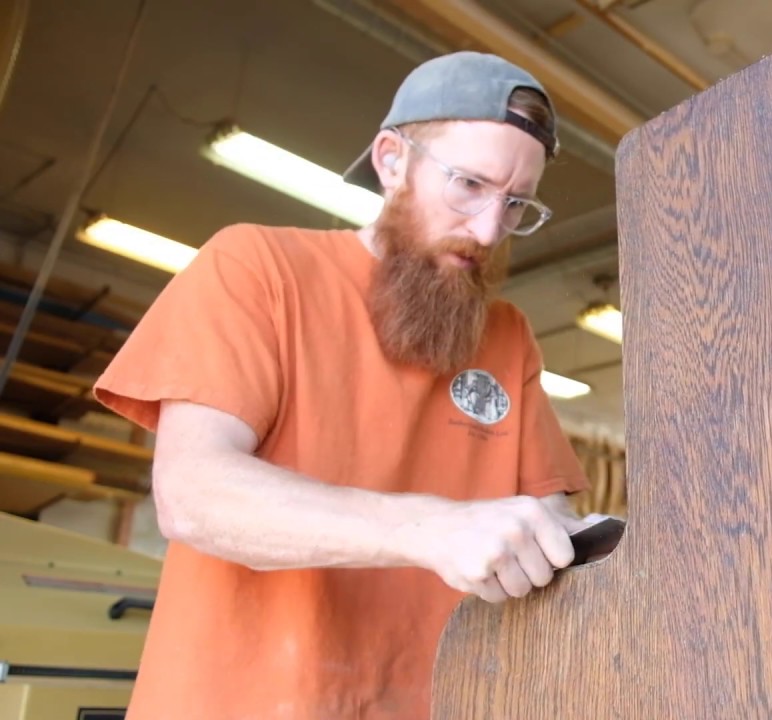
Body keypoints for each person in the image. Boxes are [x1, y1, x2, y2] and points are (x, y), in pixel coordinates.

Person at [92, 51, 594, 719]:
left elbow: (553, 526)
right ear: (392, 160)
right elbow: (192, 494)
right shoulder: (258, 268)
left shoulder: (506, 335)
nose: (488, 230)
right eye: (469, 185)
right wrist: (431, 529)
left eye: (517, 205)